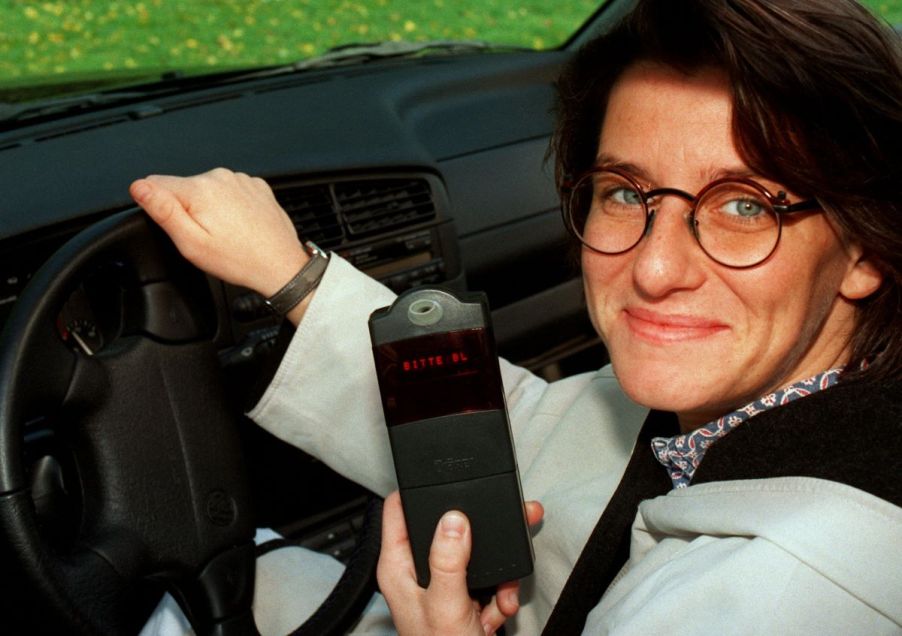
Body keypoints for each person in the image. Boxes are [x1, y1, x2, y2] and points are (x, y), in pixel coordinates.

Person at [131, 0, 902, 633]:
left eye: (744, 206)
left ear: (867, 246)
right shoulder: (785, 405)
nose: (655, 268)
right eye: (627, 193)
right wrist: (292, 276)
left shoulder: (776, 597)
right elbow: (548, 437)